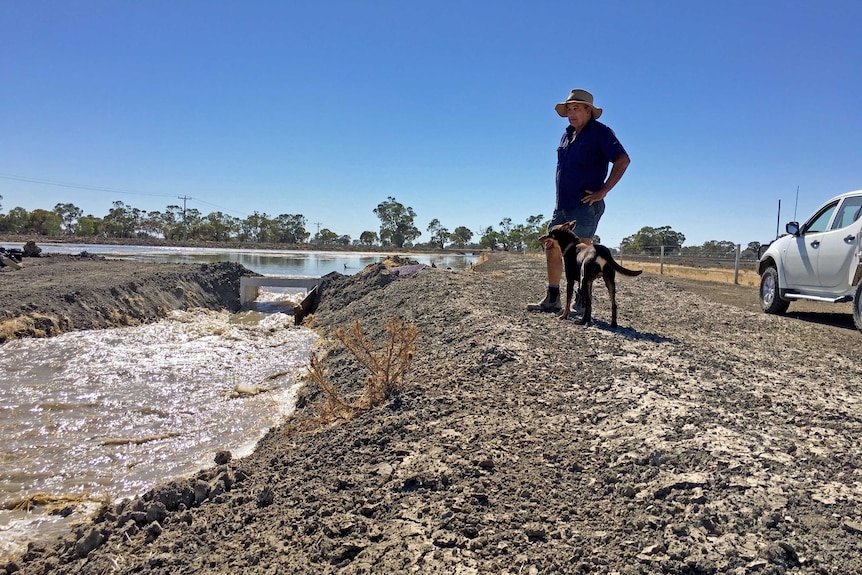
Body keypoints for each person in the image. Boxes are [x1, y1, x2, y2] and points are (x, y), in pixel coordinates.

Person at [527, 88, 630, 314]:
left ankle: (582, 300)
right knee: (551, 246)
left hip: (585, 204)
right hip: (562, 205)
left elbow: (623, 160)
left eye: (576, 109)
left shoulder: (601, 133)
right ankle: (552, 297)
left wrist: (603, 191)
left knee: (582, 254)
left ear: (588, 111)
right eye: (569, 109)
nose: (571, 113)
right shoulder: (567, 135)